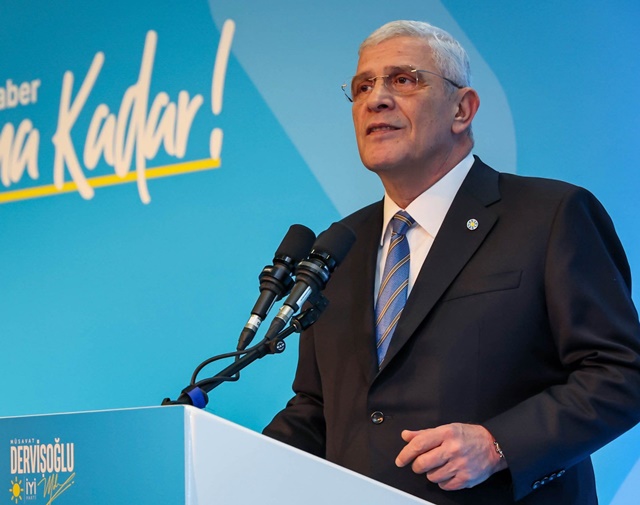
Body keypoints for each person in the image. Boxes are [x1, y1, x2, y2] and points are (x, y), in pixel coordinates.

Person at [263, 20, 640, 505]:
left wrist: (499, 444)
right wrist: (227, 462)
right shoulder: (340, 247)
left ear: (462, 109)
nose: (376, 99)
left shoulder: (549, 216)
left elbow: (621, 372)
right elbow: (319, 409)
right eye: (363, 86)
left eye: (403, 79)